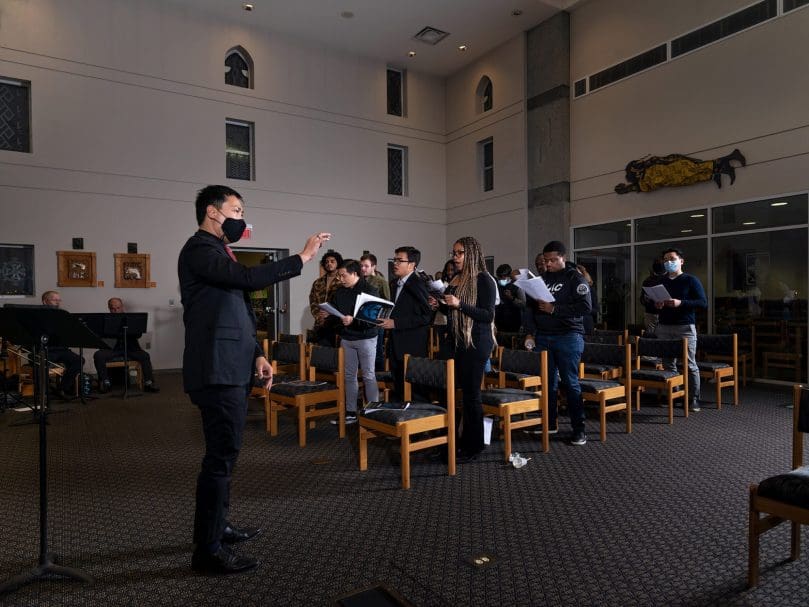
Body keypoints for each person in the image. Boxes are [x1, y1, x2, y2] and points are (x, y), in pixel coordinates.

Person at [178, 184, 327, 575]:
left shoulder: (219, 252)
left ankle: (218, 527)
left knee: (226, 455)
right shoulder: (199, 250)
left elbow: (240, 311)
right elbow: (246, 279)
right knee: (220, 459)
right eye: (236, 209)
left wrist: (259, 355)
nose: (242, 218)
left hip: (232, 365)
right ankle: (206, 551)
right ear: (213, 212)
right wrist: (302, 257)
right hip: (216, 369)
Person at [523, 241, 591, 446]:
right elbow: (530, 309)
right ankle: (550, 423)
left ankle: (579, 429)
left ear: (563, 257)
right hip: (543, 335)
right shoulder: (541, 280)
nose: (549, 264)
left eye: (553, 260)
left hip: (568, 336)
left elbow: (585, 307)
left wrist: (554, 309)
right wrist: (530, 333)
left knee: (570, 383)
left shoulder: (574, 277)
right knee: (548, 383)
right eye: (546, 260)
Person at [438, 237, 496, 461]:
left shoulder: (484, 280)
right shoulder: (456, 277)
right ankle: (453, 442)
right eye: (454, 252)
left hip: (476, 342)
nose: (455, 257)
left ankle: (474, 445)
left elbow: (487, 315)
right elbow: (452, 311)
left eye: (460, 253)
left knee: (471, 396)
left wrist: (459, 304)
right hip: (456, 340)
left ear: (471, 254)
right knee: (450, 394)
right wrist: (441, 305)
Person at [654, 247, 708, 411]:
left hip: (684, 326)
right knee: (668, 363)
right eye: (665, 260)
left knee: (689, 364)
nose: (668, 262)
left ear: (681, 261)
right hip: (664, 326)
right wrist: (658, 304)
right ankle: (675, 395)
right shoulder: (662, 281)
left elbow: (702, 303)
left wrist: (681, 303)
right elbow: (655, 303)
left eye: (671, 258)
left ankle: (694, 398)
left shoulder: (691, 280)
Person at [327, 259, 380, 423]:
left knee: (369, 375)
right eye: (339, 276)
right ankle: (350, 412)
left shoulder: (371, 290)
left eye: (343, 275)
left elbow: (373, 319)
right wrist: (328, 316)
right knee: (349, 376)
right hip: (347, 338)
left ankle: (373, 412)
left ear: (355, 274)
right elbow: (336, 315)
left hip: (366, 337)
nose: (340, 279)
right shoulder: (340, 292)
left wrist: (353, 320)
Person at [378, 246, 432, 399]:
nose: (395, 263)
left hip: (412, 342)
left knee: (414, 389)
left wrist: (396, 323)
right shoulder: (395, 283)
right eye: (394, 259)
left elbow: (426, 316)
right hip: (396, 342)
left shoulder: (417, 284)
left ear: (411, 264)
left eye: (399, 260)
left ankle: (418, 419)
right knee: (399, 384)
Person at [93, 297, 159, 393]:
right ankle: (105, 382)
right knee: (98, 355)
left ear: (122, 307)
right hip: (113, 349)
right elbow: (101, 335)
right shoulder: (105, 319)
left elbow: (138, 334)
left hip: (131, 348)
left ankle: (148, 383)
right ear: (109, 308)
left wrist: (130, 330)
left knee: (145, 356)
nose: (116, 311)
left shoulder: (131, 318)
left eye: (118, 308)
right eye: (113, 309)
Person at [40, 290, 82, 400]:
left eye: (59, 300)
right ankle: (43, 393)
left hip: (61, 349)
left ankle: (62, 388)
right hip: (45, 349)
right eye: (55, 300)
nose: (58, 303)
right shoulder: (38, 315)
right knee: (41, 361)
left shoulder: (62, 314)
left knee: (79, 360)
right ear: (45, 302)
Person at [359, 253, 390, 371]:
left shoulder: (381, 281)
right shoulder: (359, 281)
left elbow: (387, 301)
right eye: (361, 266)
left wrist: (380, 319)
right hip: (362, 320)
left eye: (366, 266)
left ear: (374, 267)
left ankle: (379, 377)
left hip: (376, 321)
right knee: (363, 351)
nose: (363, 269)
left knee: (377, 352)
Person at [308, 249, 343, 346]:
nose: (329, 264)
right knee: (322, 352)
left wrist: (330, 316)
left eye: (332, 261)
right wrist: (319, 317)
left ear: (338, 263)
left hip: (337, 324)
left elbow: (343, 304)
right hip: (320, 324)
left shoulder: (342, 281)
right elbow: (312, 301)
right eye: (327, 262)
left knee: (337, 354)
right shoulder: (318, 282)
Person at [494, 263, 525, 334]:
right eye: (499, 277)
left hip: (514, 324)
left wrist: (512, 298)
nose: (501, 279)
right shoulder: (497, 286)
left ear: (509, 276)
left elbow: (523, 304)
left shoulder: (517, 286)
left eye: (503, 276)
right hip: (499, 324)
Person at [640, 259, 667, 334]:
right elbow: (642, 299)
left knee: (665, 337)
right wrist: (646, 300)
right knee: (650, 337)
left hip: (666, 313)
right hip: (651, 314)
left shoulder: (669, 279)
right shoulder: (648, 281)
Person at [575, 264, 598, 335]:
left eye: (577, 274)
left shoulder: (590, 289)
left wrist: (582, 309)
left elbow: (596, 309)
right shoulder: (569, 288)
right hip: (571, 326)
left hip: (586, 325)